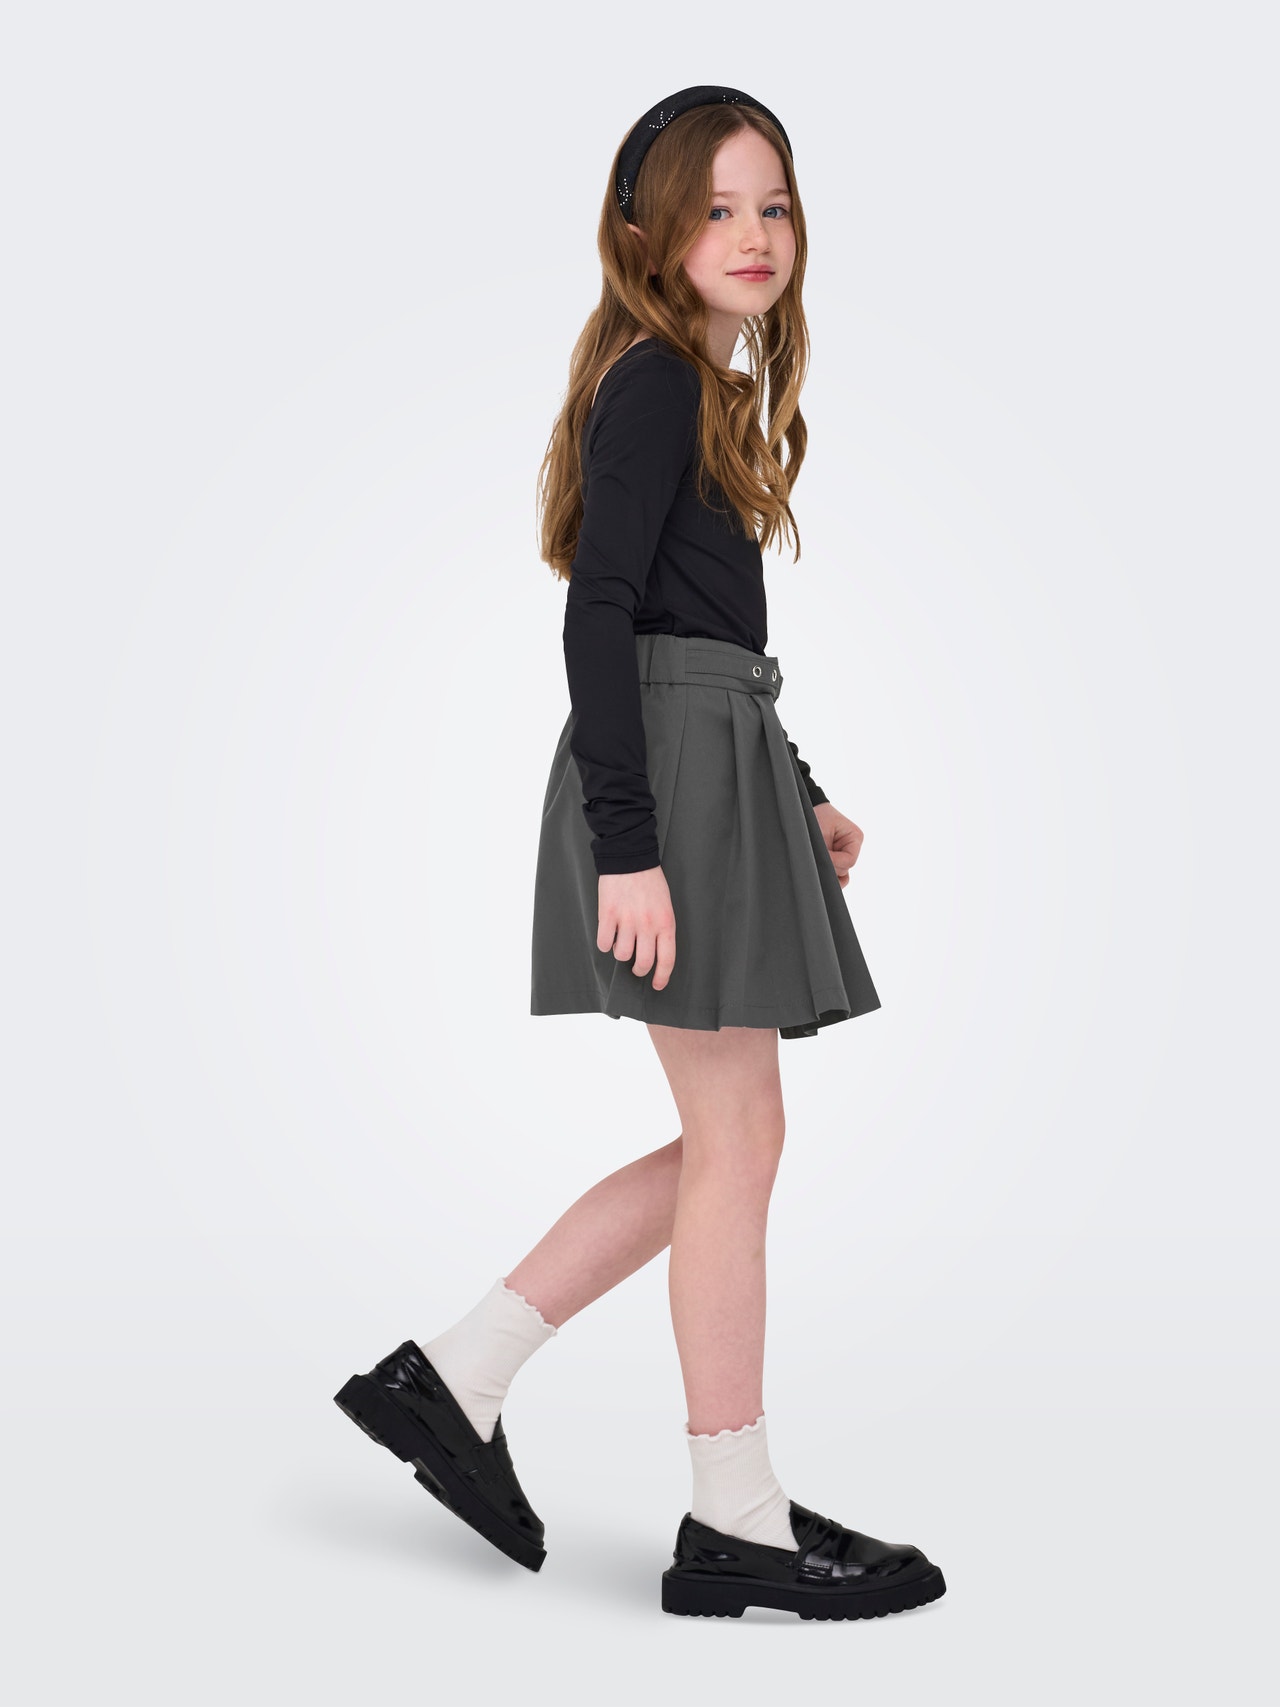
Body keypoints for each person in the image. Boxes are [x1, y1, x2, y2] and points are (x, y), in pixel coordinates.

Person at [334, 85, 946, 1624]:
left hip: (714, 767)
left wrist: (795, 787)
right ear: (649, 235)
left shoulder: (698, 388)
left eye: (774, 205)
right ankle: (729, 1513)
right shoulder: (659, 382)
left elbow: (701, 629)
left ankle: (459, 1375)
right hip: (664, 793)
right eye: (716, 208)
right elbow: (600, 616)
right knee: (739, 1140)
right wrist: (630, 846)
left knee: (734, 1142)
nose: (754, 235)